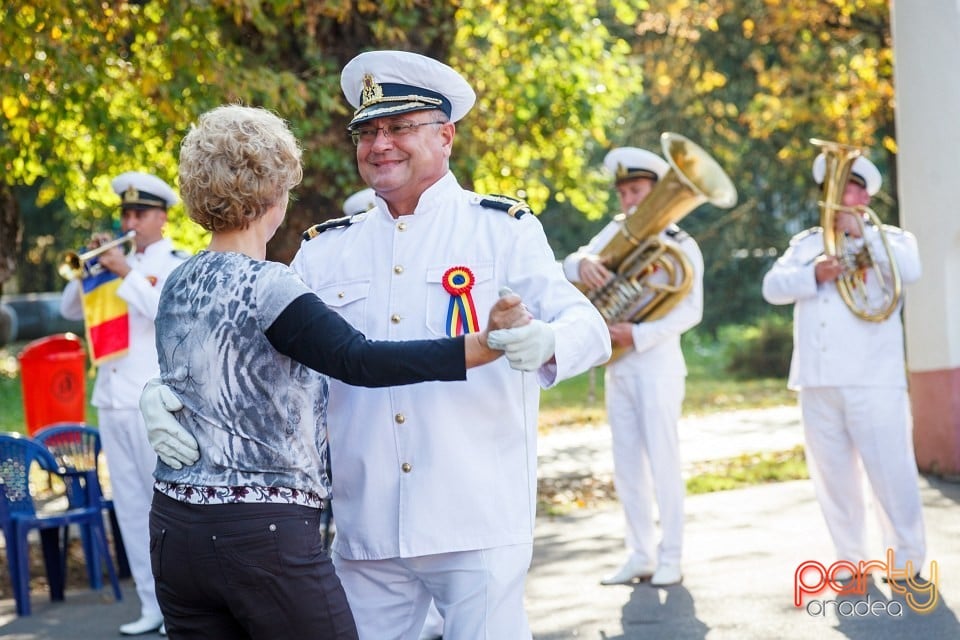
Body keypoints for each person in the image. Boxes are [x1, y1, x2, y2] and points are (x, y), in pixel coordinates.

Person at [144, 52, 609, 639]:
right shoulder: (323, 249)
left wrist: (546, 340)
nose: (379, 143)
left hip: (474, 513)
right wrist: (161, 391)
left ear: (446, 135)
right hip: (366, 522)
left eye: (398, 127)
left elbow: (588, 326)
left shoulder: (501, 229)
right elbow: (249, 342)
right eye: (367, 131)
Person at [761, 150, 925, 579]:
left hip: (873, 379)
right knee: (833, 478)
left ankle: (905, 558)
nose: (840, 197)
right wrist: (812, 275)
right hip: (817, 380)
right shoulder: (807, 245)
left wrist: (864, 237)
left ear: (866, 195)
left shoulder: (892, 238)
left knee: (890, 472)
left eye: (850, 188)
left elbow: (910, 271)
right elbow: (772, 287)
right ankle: (850, 558)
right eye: (834, 189)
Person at [562, 147, 704, 588]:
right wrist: (581, 263)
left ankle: (672, 555)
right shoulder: (615, 233)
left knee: (663, 460)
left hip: (657, 365)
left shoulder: (682, 245)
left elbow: (691, 311)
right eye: (623, 192)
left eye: (637, 190)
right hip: (618, 366)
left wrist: (636, 335)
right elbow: (565, 267)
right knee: (626, 464)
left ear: (658, 191)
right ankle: (640, 553)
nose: (628, 201)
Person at [59, 170, 185, 635]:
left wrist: (125, 271)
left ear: (162, 218)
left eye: (140, 212)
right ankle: (150, 605)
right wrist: (90, 267)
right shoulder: (111, 264)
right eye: (126, 213)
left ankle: (180, 609)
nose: (130, 220)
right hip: (111, 399)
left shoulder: (175, 263)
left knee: (165, 507)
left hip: (151, 402)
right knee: (130, 507)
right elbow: (71, 310)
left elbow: (167, 313)